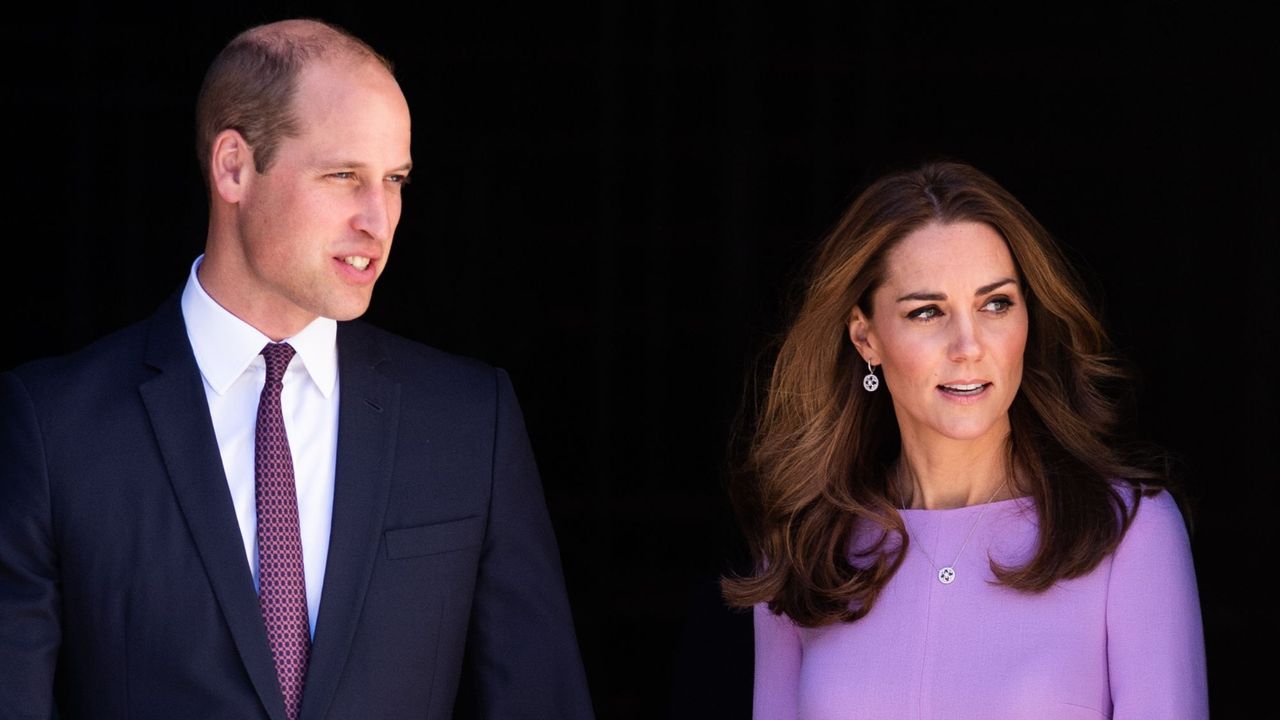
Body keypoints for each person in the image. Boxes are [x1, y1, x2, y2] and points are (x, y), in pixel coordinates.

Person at [0, 18, 593, 720]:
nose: (381, 218)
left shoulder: (469, 422)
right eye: (344, 176)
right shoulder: (54, 427)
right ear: (233, 168)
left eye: (395, 180)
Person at [722, 161, 1207, 718]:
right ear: (866, 338)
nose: (968, 345)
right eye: (928, 312)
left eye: (995, 303)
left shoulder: (1126, 530)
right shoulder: (807, 547)